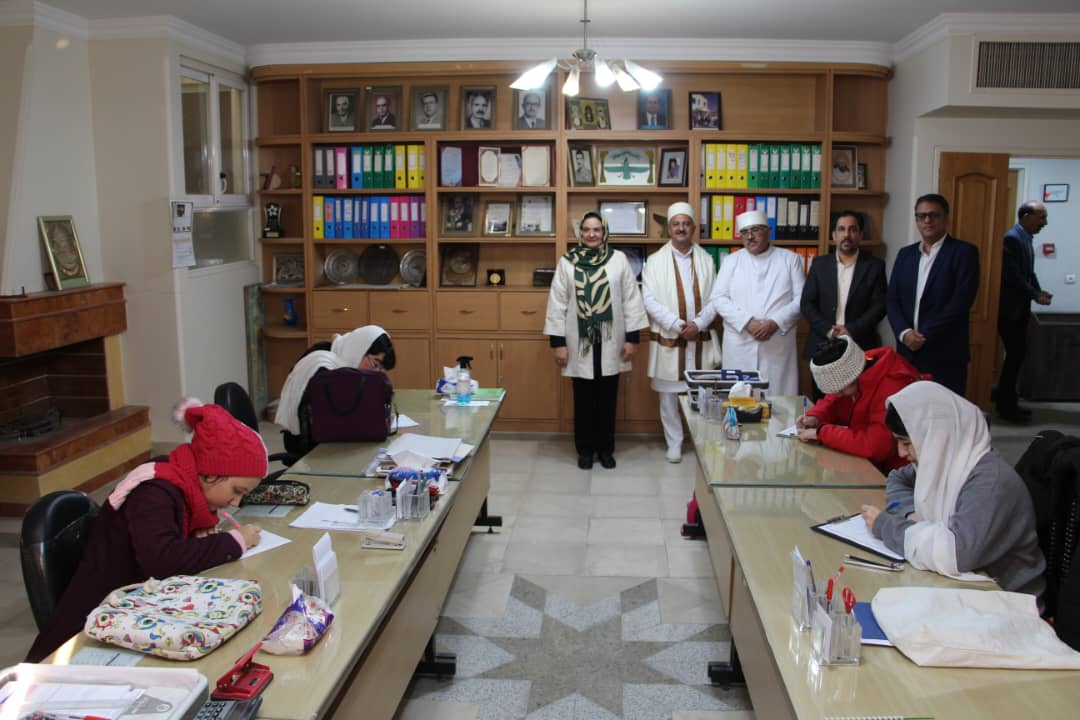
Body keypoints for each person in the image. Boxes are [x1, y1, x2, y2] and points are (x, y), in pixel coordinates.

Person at [26, 399, 269, 662]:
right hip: (89, 630)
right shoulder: (153, 492)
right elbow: (163, 561)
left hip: (136, 612)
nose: (235, 503)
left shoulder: (183, 481)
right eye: (236, 491)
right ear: (212, 472)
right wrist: (234, 541)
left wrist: (192, 536)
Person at [860, 381, 1045, 598]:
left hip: (1006, 598)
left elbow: (956, 554)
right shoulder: (944, 461)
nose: (901, 453)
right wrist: (910, 513)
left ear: (937, 435)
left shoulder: (990, 482)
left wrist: (885, 526)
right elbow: (898, 478)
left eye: (907, 443)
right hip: (964, 587)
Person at [545, 211, 648, 470]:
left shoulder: (618, 260)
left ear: (604, 232)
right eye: (586, 230)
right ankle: (584, 450)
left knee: (607, 400)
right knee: (582, 400)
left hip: (611, 342)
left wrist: (632, 339)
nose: (591, 234)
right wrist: (558, 343)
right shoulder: (567, 262)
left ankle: (605, 449)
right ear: (580, 233)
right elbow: (557, 303)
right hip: (579, 343)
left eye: (597, 229)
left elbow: (631, 299)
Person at [642, 202, 722, 463]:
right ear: (669, 229)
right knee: (669, 397)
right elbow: (649, 300)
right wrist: (677, 325)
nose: (681, 228)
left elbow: (717, 297)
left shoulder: (706, 259)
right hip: (670, 337)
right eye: (676, 224)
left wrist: (698, 324)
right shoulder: (655, 261)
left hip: (700, 337)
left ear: (694, 228)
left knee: (703, 394)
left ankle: (702, 443)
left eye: (686, 224)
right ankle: (674, 443)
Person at [698, 208, 805, 396]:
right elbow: (718, 298)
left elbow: (802, 299)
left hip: (776, 342)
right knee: (739, 399)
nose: (750, 237)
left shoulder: (791, 259)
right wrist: (747, 322)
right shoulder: (731, 261)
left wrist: (774, 322)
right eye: (744, 232)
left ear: (768, 231)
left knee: (778, 399)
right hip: (740, 342)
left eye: (755, 230)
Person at [886, 193, 979, 396]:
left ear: (946, 218)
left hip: (945, 354)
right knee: (907, 411)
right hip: (907, 353)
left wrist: (923, 335)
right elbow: (892, 299)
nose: (927, 220)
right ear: (917, 220)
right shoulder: (905, 254)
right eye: (922, 216)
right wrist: (904, 333)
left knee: (945, 411)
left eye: (934, 215)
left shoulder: (964, 253)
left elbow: (961, 301)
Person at [796, 336, 922, 473]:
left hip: (898, 471)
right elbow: (831, 401)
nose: (836, 394)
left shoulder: (892, 385)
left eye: (839, 390)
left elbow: (878, 446)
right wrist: (815, 417)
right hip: (867, 463)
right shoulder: (856, 366)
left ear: (852, 377)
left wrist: (822, 433)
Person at [800, 210, 887, 399]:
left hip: (859, 345)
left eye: (852, 229)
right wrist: (828, 329)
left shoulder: (874, 266)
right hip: (823, 344)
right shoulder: (820, 264)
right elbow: (807, 303)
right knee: (822, 403)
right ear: (834, 235)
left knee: (859, 403)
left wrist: (851, 330)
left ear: (860, 235)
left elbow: (879, 306)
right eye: (841, 229)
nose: (847, 235)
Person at [274, 325, 396, 457]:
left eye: (380, 370)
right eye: (375, 365)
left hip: (328, 439)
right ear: (360, 349)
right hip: (309, 447)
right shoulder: (324, 367)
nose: (375, 373)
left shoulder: (339, 356)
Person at [998, 201, 1052, 423]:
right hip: (1009, 310)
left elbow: (1029, 273)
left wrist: (1038, 291)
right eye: (1042, 217)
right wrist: (1035, 295)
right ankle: (1006, 406)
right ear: (1026, 216)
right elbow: (1013, 276)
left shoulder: (1026, 238)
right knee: (1014, 356)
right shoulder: (1011, 239)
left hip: (1019, 308)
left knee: (1017, 356)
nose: (1044, 223)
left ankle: (1009, 401)